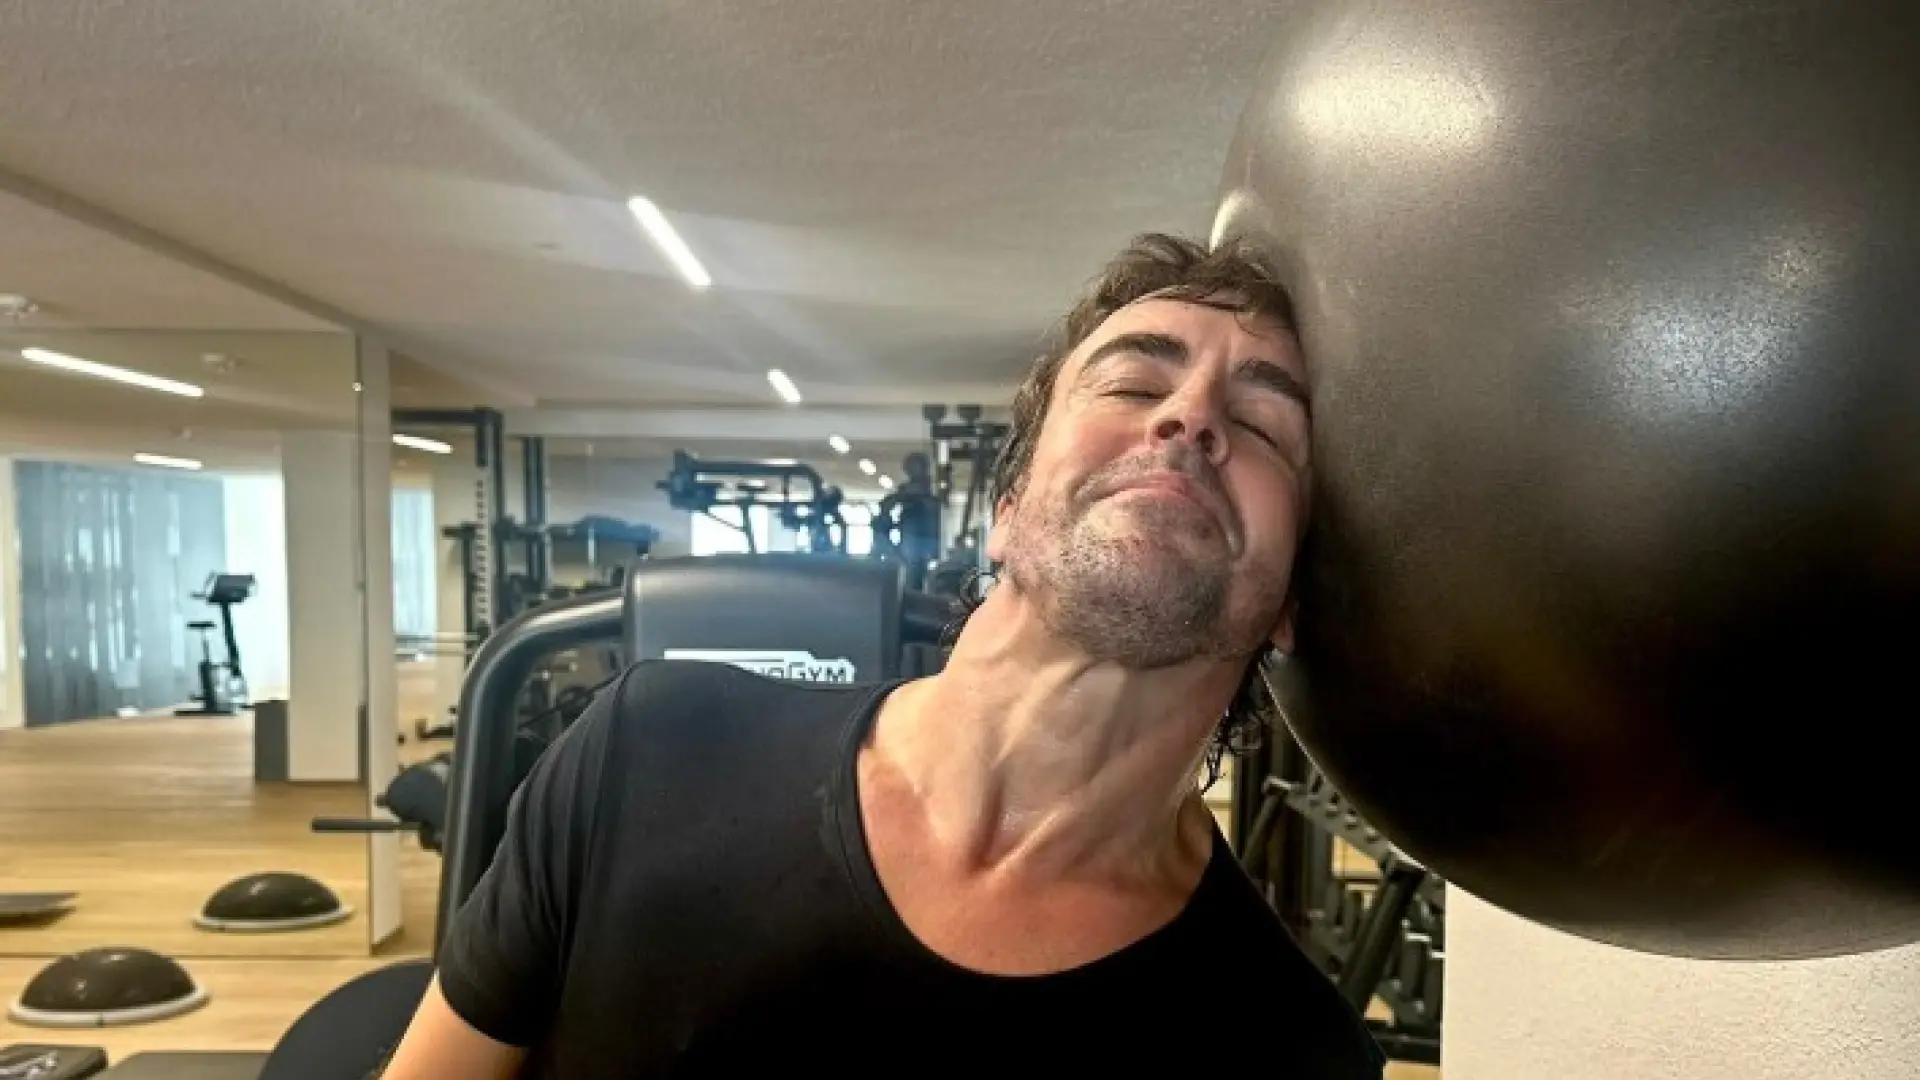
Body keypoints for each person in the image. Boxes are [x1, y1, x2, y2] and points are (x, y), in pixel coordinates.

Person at [379, 234, 1385, 1078]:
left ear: (1290, 601)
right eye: (1132, 381)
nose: (1191, 416)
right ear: (1006, 511)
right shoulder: (646, 747)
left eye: (1262, 426)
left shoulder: (1293, 1049)